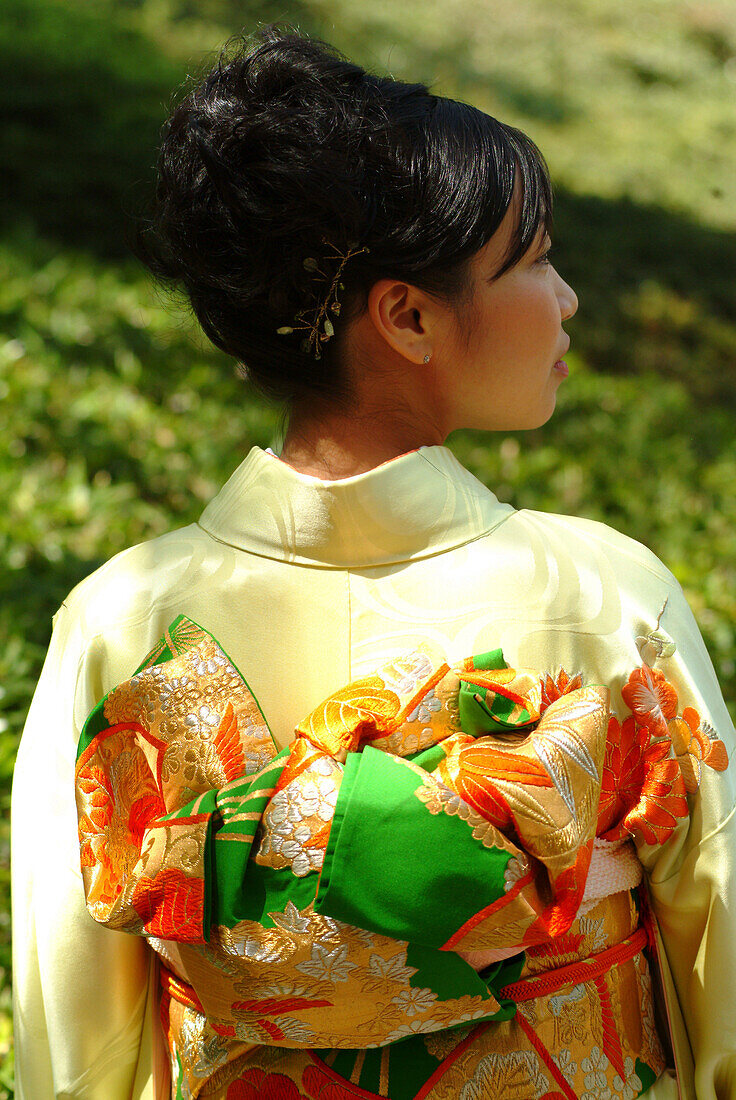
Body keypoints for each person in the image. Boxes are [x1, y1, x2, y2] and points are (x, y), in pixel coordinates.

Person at [11, 24, 736, 1100]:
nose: (569, 297)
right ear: (406, 314)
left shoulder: (121, 615)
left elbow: (75, 1020)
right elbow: (717, 929)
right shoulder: (601, 594)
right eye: (532, 259)